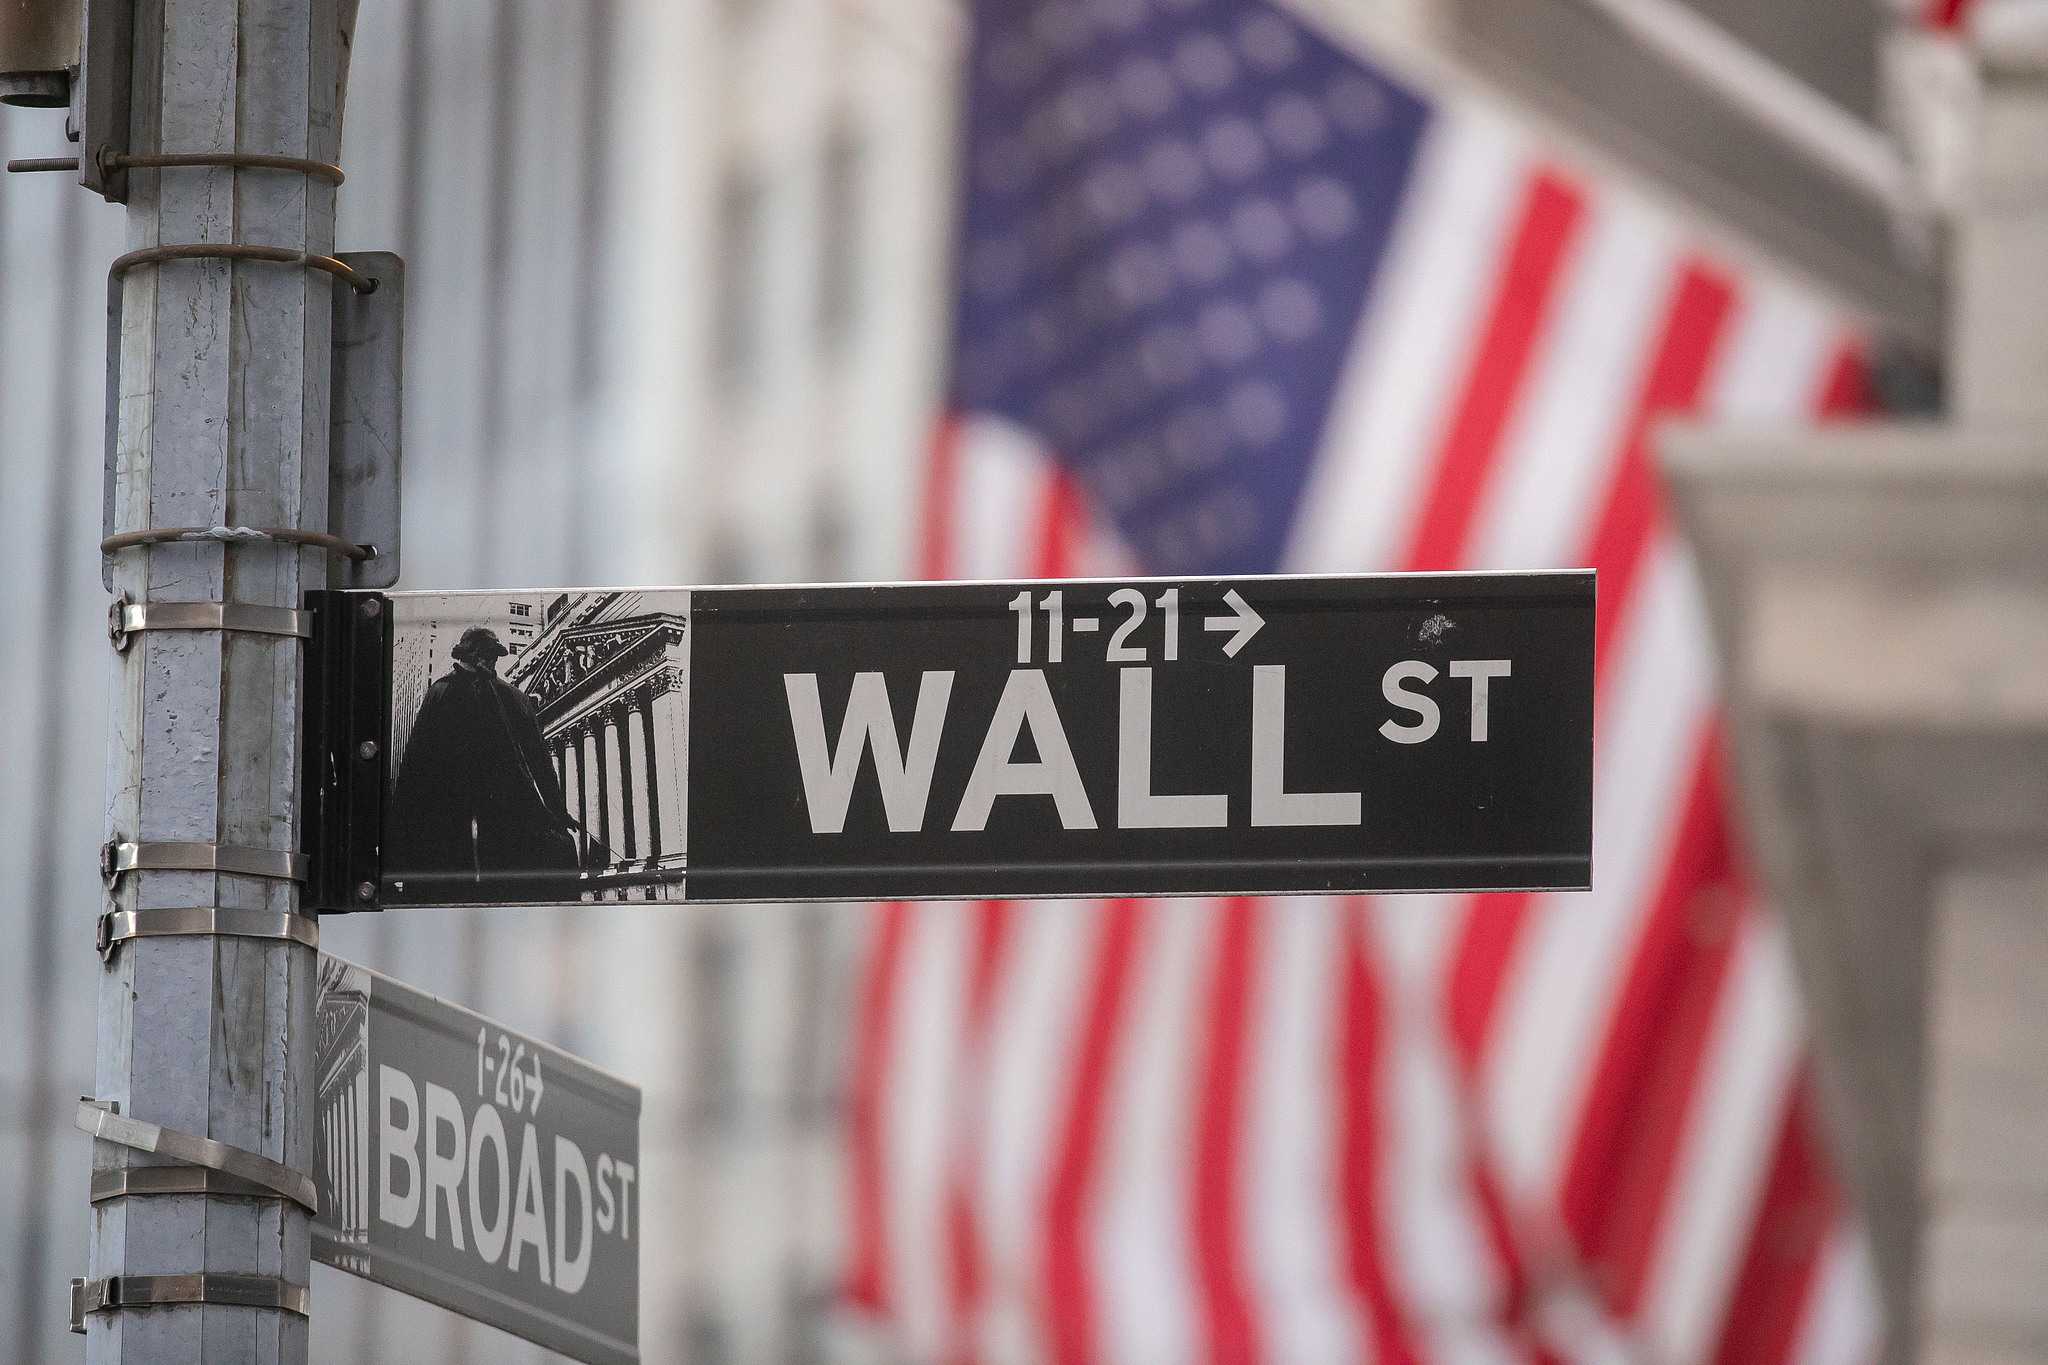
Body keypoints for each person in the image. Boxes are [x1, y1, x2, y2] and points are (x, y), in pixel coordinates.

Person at [385, 626, 582, 900]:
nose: (492, 663)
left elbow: (540, 762)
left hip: (499, 812)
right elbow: (416, 764)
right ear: (472, 654)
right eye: (487, 655)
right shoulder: (442, 693)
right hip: (454, 813)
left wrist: (558, 810)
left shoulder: (511, 698)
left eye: (495, 657)